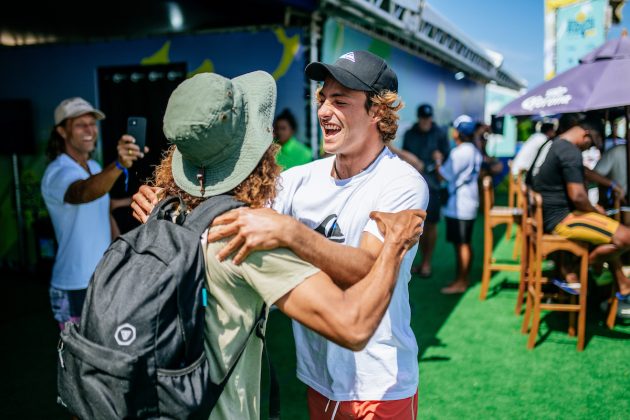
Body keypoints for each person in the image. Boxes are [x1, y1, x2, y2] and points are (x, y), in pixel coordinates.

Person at [132, 51, 429, 419]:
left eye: (340, 101)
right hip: (318, 378)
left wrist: (290, 231)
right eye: (323, 98)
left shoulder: (402, 183)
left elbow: (367, 268)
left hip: (379, 383)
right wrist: (169, 204)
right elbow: (228, 214)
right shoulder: (301, 178)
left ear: (377, 113)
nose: (323, 111)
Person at [41, 97, 144, 329]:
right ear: (62, 131)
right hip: (74, 285)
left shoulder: (95, 168)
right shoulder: (57, 172)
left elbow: (102, 208)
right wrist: (118, 165)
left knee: (107, 351)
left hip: (103, 277)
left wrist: (120, 250)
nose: (90, 130)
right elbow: (83, 192)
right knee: (78, 360)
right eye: (80, 125)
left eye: (91, 123)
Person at [531, 114, 630, 303]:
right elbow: (577, 196)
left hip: (553, 216)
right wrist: (595, 210)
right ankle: (575, 271)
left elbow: (581, 171)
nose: (589, 148)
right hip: (563, 219)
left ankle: (622, 284)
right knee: (625, 237)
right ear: (586, 134)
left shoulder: (557, 145)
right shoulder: (570, 152)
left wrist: (608, 186)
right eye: (591, 144)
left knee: (609, 234)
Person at [394, 102, 449, 277]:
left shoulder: (440, 133)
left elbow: (446, 158)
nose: (426, 121)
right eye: (423, 118)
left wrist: (439, 160)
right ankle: (414, 263)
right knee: (413, 227)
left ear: (431, 117)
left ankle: (426, 263)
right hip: (413, 185)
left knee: (430, 225)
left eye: (428, 118)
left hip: (433, 186)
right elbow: (405, 157)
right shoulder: (410, 133)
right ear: (419, 118)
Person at [436, 118, 483, 294]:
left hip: (460, 205)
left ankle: (462, 281)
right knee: (463, 243)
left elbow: (443, 176)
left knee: (462, 244)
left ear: (458, 133)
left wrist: (438, 161)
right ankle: (462, 278)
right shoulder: (473, 149)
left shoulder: (461, 152)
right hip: (466, 202)